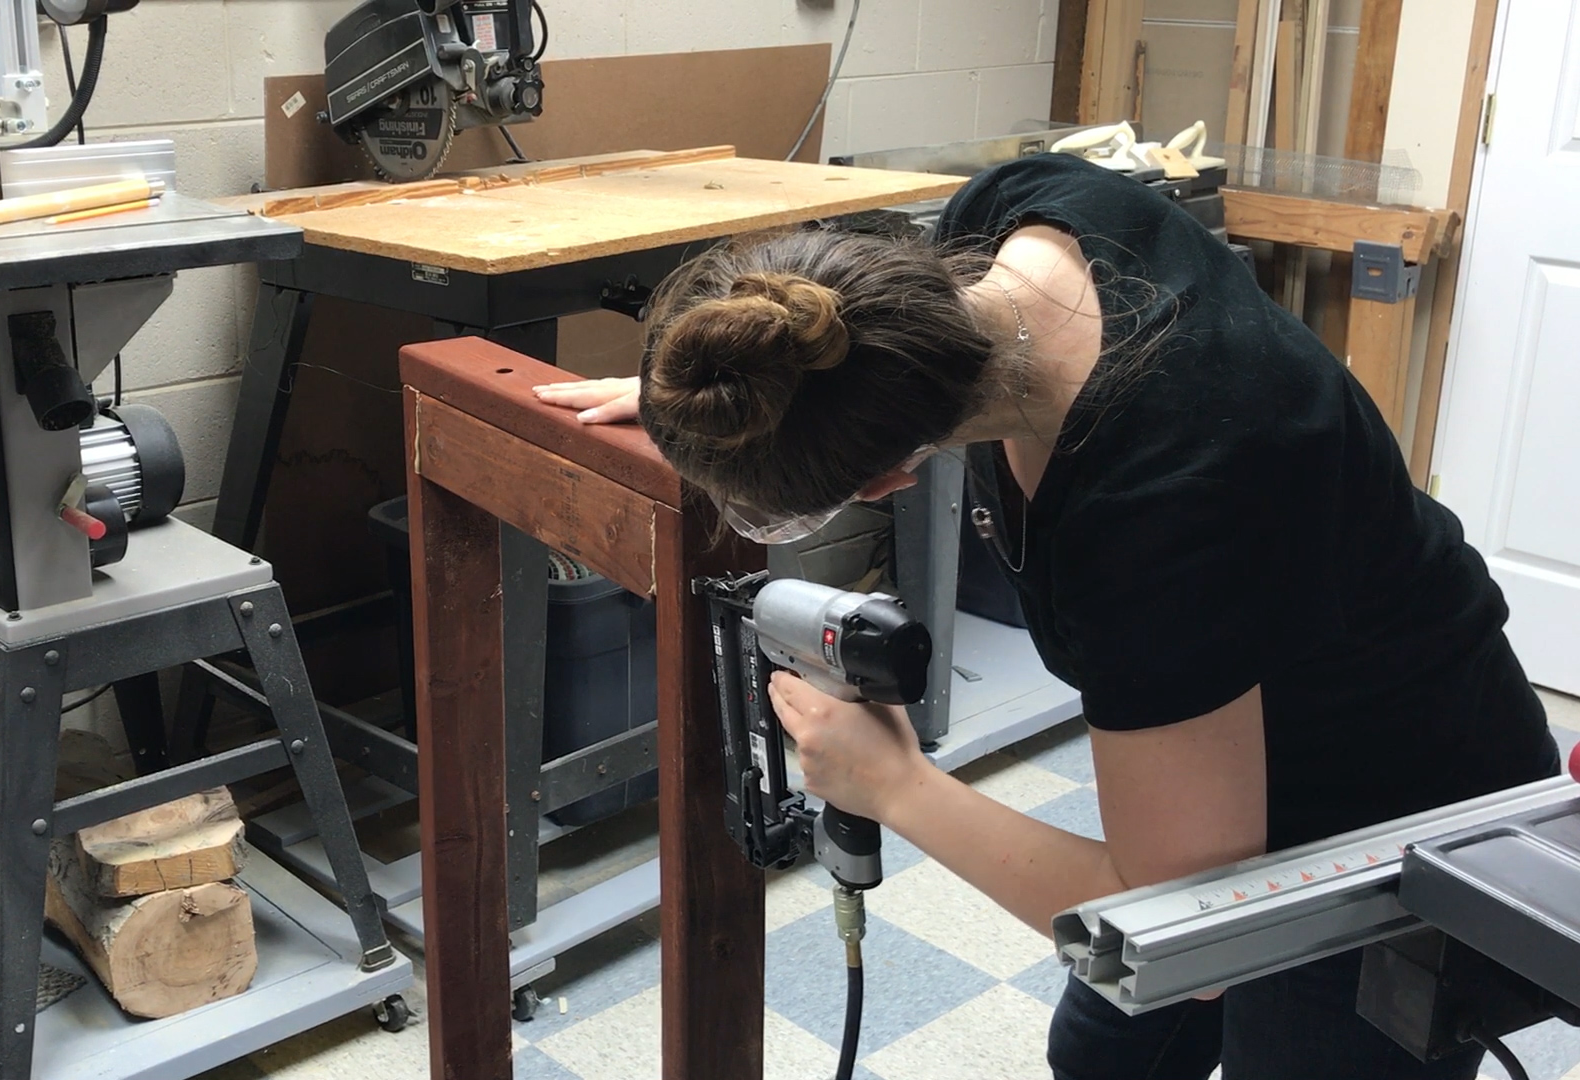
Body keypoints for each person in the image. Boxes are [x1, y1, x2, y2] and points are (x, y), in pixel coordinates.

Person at [532, 152, 1558, 1079]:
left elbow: (1172, 928)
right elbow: (857, 359)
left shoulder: (1160, 504)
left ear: (888, 478)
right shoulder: (1026, 208)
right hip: (1230, 722)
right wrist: (726, 394)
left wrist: (896, 784)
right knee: (1102, 1053)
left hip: (1391, 803)